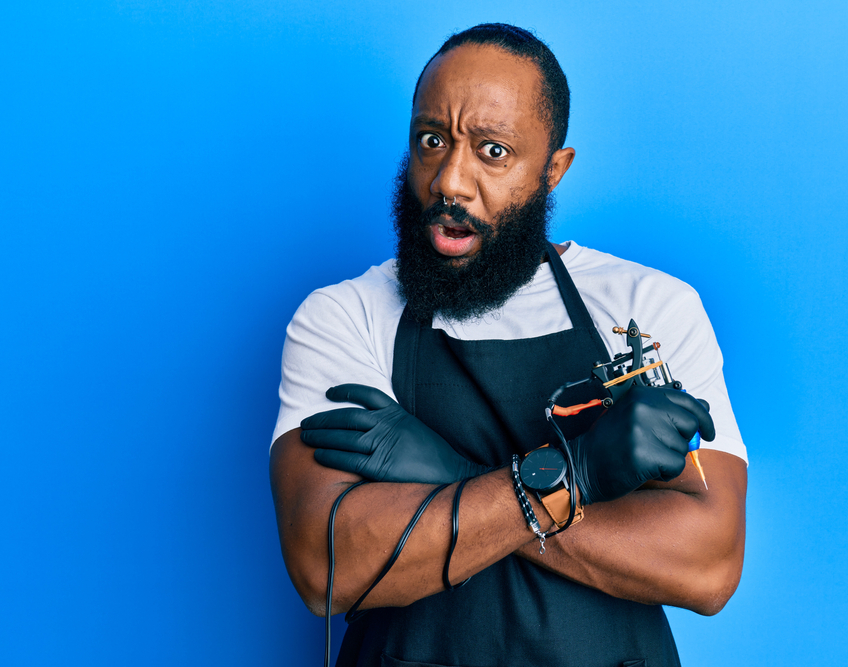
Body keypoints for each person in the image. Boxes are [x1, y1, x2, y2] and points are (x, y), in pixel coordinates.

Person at [270, 23, 748, 667]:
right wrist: (576, 475)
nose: (450, 182)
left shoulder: (648, 309)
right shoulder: (344, 316)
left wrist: (455, 475)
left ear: (554, 170)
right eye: (431, 141)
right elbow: (327, 565)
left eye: (493, 151)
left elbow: (707, 564)